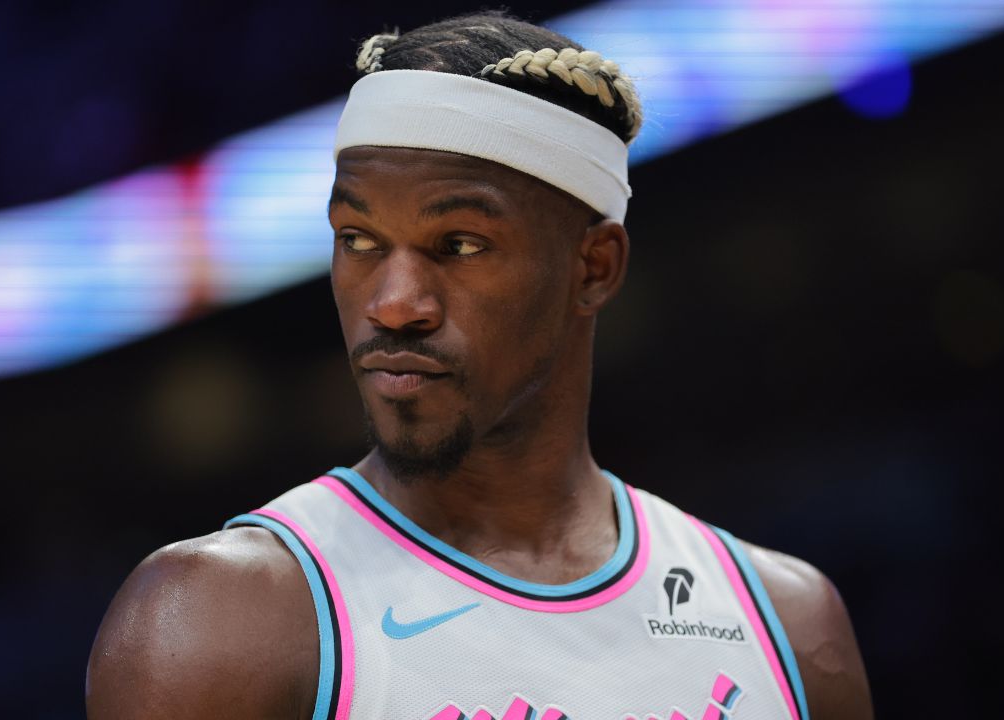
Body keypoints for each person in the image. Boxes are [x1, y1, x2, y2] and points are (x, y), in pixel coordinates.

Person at [86, 12, 873, 720]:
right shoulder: (217, 625)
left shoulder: (788, 627)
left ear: (594, 267)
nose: (394, 302)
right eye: (358, 240)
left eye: (458, 245)